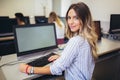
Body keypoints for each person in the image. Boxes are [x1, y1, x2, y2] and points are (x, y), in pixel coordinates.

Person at [19, 2, 98, 80]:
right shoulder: (89, 38)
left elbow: (55, 69)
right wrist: (63, 57)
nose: (70, 22)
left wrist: (29, 69)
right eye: (69, 18)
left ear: (84, 19)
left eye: (76, 18)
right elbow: (79, 59)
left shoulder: (76, 41)